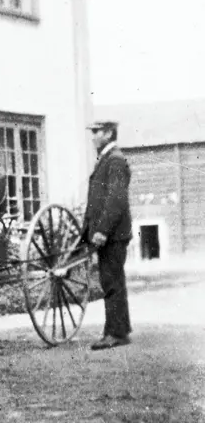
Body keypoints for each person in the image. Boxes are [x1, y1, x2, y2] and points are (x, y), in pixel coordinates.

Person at [83, 120, 132, 350]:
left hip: (113, 234)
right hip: (112, 233)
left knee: (111, 281)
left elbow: (116, 198)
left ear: (109, 133)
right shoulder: (108, 158)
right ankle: (119, 329)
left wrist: (102, 230)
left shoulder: (114, 160)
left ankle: (115, 333)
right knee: (113, 280)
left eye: (96, 132)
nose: (92, 136)